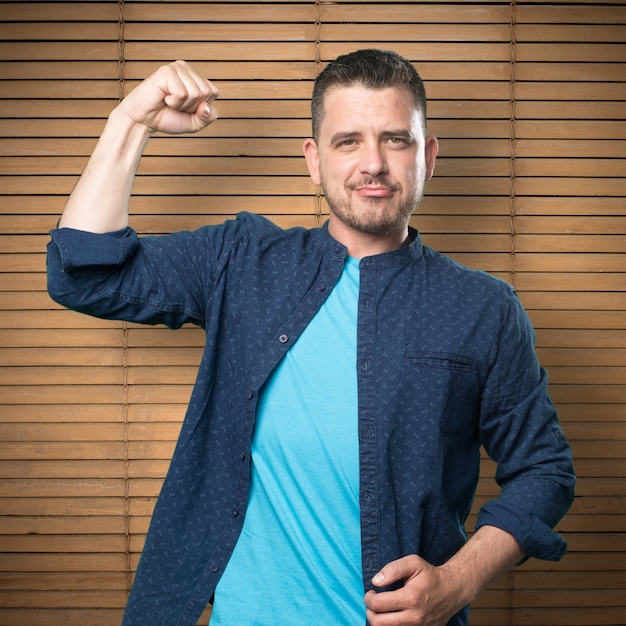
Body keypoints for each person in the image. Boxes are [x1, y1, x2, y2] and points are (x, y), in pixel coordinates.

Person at [47, 49, 575, 626]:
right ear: (314, 161)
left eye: (396, 139)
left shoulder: (482, 307)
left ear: (427, 158)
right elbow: (85, 274)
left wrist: (457, 581)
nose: (372, 163)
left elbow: (544, 470)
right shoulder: (240, 260)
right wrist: (129, 121)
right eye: (347, 141)